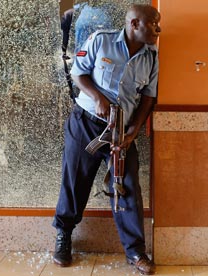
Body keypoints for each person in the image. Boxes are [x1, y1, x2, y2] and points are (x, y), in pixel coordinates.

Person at [52, 4, 161, 275]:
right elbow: (78, 72)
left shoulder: (151, 57)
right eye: (154, 23)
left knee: (127, 187)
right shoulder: (101, 40)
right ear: (135, 24)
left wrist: (134, 130)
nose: (159, 29)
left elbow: (149, 96)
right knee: (75, 181)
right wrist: (98, 98)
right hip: (87, 123)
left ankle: (135, 251)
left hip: (121, 131)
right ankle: (64, 236)